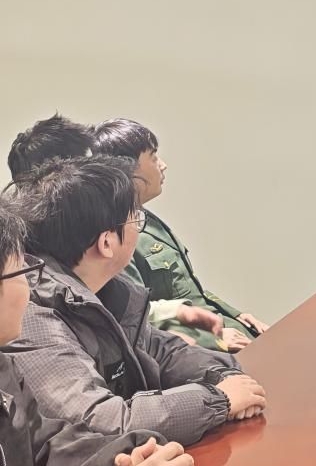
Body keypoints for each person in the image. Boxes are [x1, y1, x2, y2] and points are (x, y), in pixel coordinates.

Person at [4, 156, 266, 445]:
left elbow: (161, 351)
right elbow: (101, 422)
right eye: (136, 219)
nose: (138, 228)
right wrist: (219, 400)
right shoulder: (34, 318)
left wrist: (222, 376)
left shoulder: (107, 289)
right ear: (106, 243)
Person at [0, 199, 198, 466]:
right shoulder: (40, 326)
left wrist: (118, 460)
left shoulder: (4, 369)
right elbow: (100, 417)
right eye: (21, 271)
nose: (30, 286)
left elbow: (48, 449)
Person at [6, 115, 223, 347]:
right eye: (89, 167)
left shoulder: (95, 237)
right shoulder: (37, 268)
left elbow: (121, 305)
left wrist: (172, 317)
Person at [92, 119, 268, 352]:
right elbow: (136, 317)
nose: (163, 165)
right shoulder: (117, 237)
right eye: (153, 157)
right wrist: (213, 340)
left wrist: (237, 316)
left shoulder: (147, 220)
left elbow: (190, 289)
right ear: (128, 169)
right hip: (195, 349)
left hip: (220, 327)